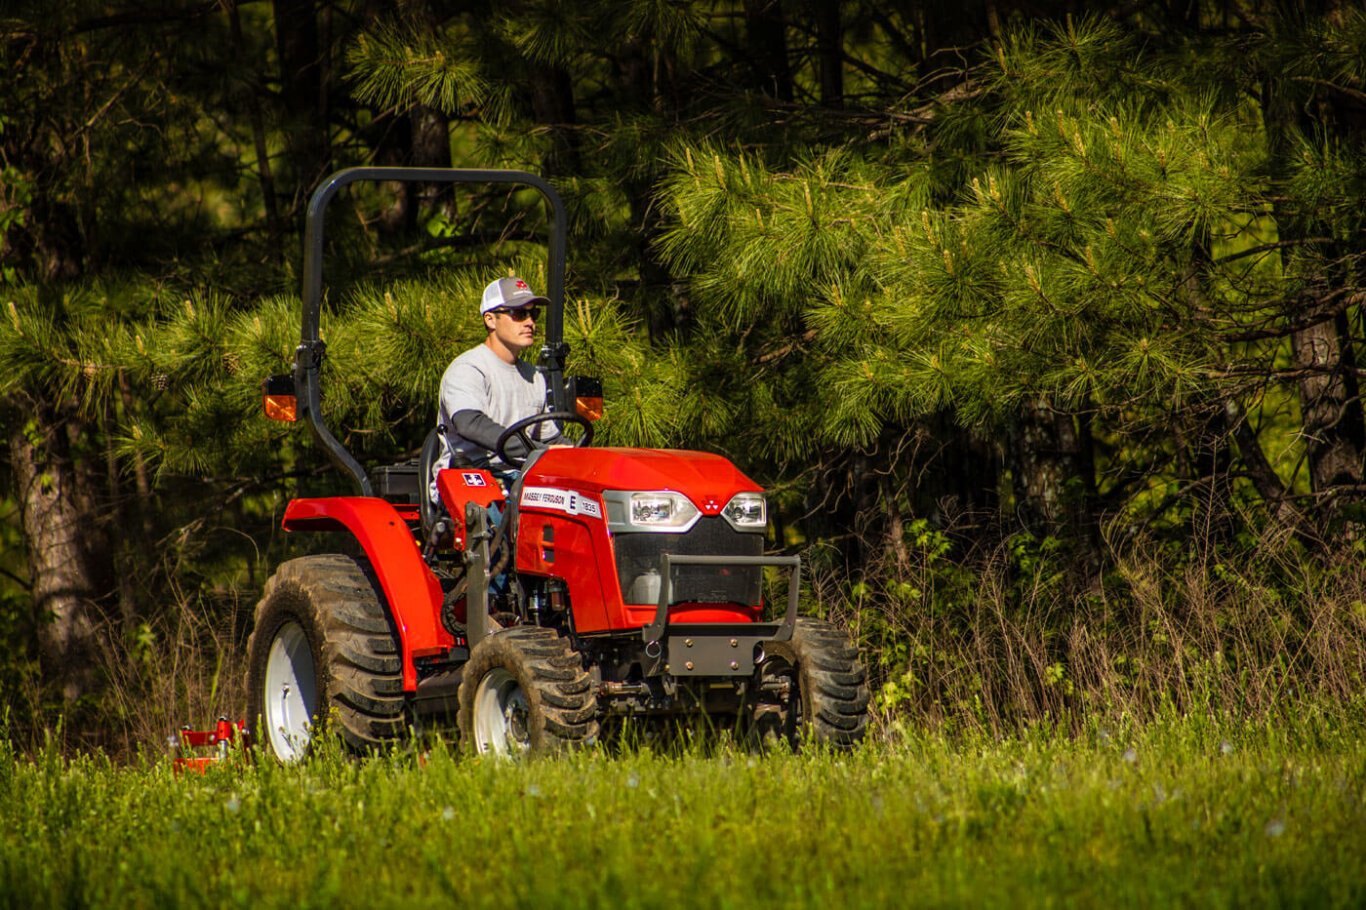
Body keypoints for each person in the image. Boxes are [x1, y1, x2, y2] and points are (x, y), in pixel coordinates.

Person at [432, 276, 561, 498]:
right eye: (519, 314)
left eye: (534, 314)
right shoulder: (468, 368)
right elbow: (470, 424)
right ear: (490, 319)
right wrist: (540, 452)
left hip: (520, 479)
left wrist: (581, 455)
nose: (530, 322)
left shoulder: (535, 377)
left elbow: (551, 439)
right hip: (470, 480)